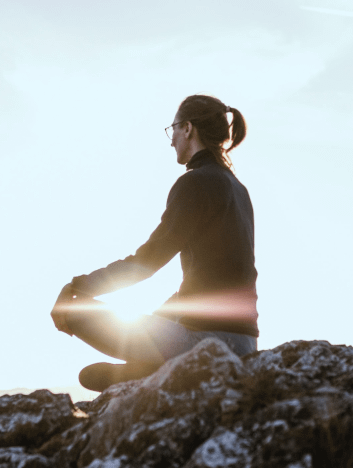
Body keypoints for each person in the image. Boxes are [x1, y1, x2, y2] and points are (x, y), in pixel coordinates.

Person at [50, 94, 259, 392]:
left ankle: (153, 372)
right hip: (245, 343)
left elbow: (146, 262)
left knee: (73, 310)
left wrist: (77, 287)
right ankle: (152, 371)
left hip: (209, 344)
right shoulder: (238, 189)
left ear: (188, 128)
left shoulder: (195, 182)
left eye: (173, 129)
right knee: (160, 317)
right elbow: (215, 279)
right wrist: (162, 316)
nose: (171, 139)